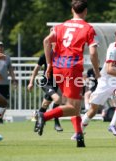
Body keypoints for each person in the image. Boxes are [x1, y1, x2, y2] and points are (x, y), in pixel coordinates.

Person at [35, 0, 100, 148]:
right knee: (73, 107)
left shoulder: (60, 26)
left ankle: (79, 137)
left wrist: (49, 63)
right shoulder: (88, 28)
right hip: (72, 68)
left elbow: (46, 41)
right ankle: (43, 115)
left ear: (72, 10)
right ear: (85, 12)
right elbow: (93, 52)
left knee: (73, 105)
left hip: (58, 67)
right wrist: (96, 71)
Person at [27, 54, 63, 132]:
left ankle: (38, 121)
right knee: (57, 99)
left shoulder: (62, 54)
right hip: (46, 83)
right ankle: (56, 122)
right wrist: (31, 82)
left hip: (57, 83)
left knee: (45, 104)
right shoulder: (45, 55)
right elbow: (36, 69)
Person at [0, 41, 17, 124]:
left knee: (4, 102)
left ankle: (0, 119)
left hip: (4, 83)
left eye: (2, 46)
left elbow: (11, 69)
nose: (0, 48)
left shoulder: (7, 58)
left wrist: (14, 79)